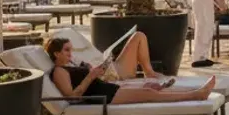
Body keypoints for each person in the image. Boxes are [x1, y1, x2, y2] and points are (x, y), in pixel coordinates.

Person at [46, 37, 215, 105]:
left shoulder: (70, 66)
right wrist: (90, 75)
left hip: (106, 89)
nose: (71, 53)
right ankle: (196, 95)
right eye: (67, 50)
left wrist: (94, 72)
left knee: (148, 87)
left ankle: (194, 91)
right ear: (56, 53)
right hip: (102, 97)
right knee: (150, 94)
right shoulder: (59, 72)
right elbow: (72, 96)